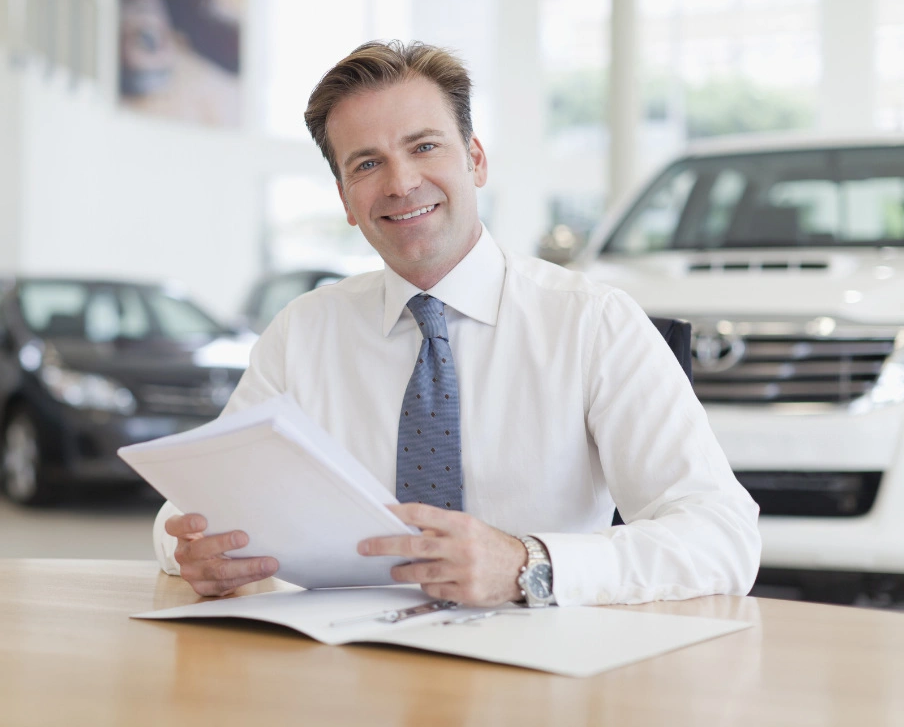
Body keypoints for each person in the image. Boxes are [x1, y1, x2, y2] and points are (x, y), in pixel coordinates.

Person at [153, 40, 760, 607]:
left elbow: (723, 536)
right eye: (367, 164)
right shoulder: (302, 332)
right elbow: (192, 505)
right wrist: (193, 551)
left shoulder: (593, 323)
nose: (402, 183)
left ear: (474, 159)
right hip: (350, 673)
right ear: (343, 197)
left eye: (424, 146)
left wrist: (529, 565)